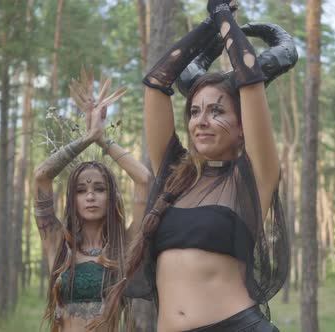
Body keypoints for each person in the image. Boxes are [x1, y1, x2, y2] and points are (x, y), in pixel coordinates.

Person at [102, 1, 296, 331]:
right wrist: (209, 24)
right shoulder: (175, 173)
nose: (201, 122)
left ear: (242, 126)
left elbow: (250, 79)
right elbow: (156, 82)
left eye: (217, 111)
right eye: (194, 111)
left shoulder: (252, 178)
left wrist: (223, 14)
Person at [34, 73, 151, 331]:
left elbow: (143, 179)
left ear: (111, 197)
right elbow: (42, 175)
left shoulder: (125, 244)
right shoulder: (57, 242)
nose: (90, 195)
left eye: (99, 189)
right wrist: (87, 137)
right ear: (72, 199)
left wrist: (103, 139)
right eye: (80, 190)